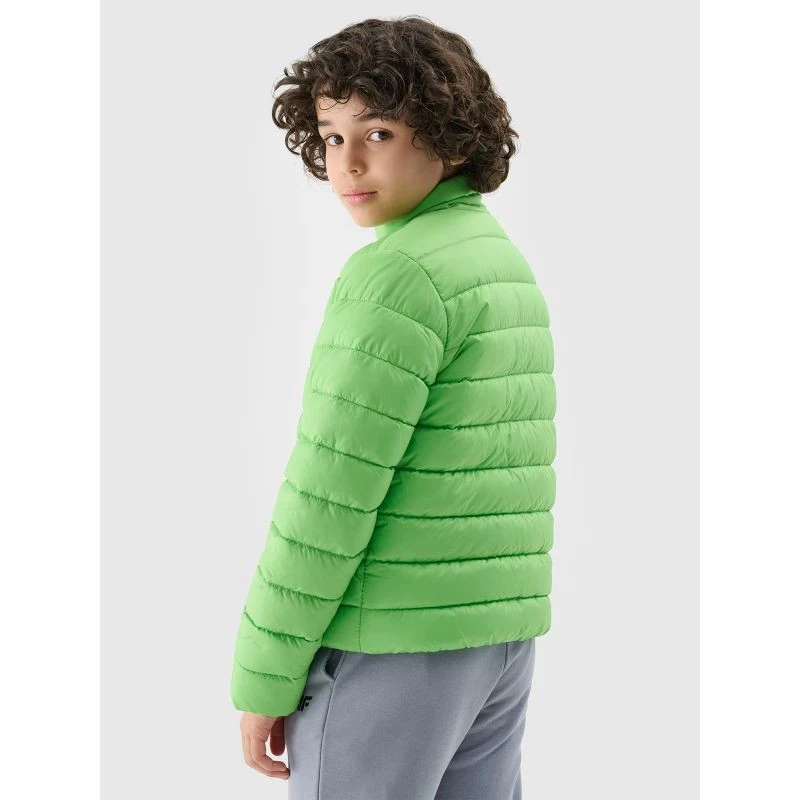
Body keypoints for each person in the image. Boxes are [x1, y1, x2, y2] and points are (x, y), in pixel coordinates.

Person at [231, 15, 556, 799]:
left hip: (390, 646)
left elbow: (328, 496)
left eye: (376, 132)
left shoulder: (398, 276)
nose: (346, 162)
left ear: (448, 134)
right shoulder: (496, 260)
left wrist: (265, 674)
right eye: (330, 135)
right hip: (494, 644)